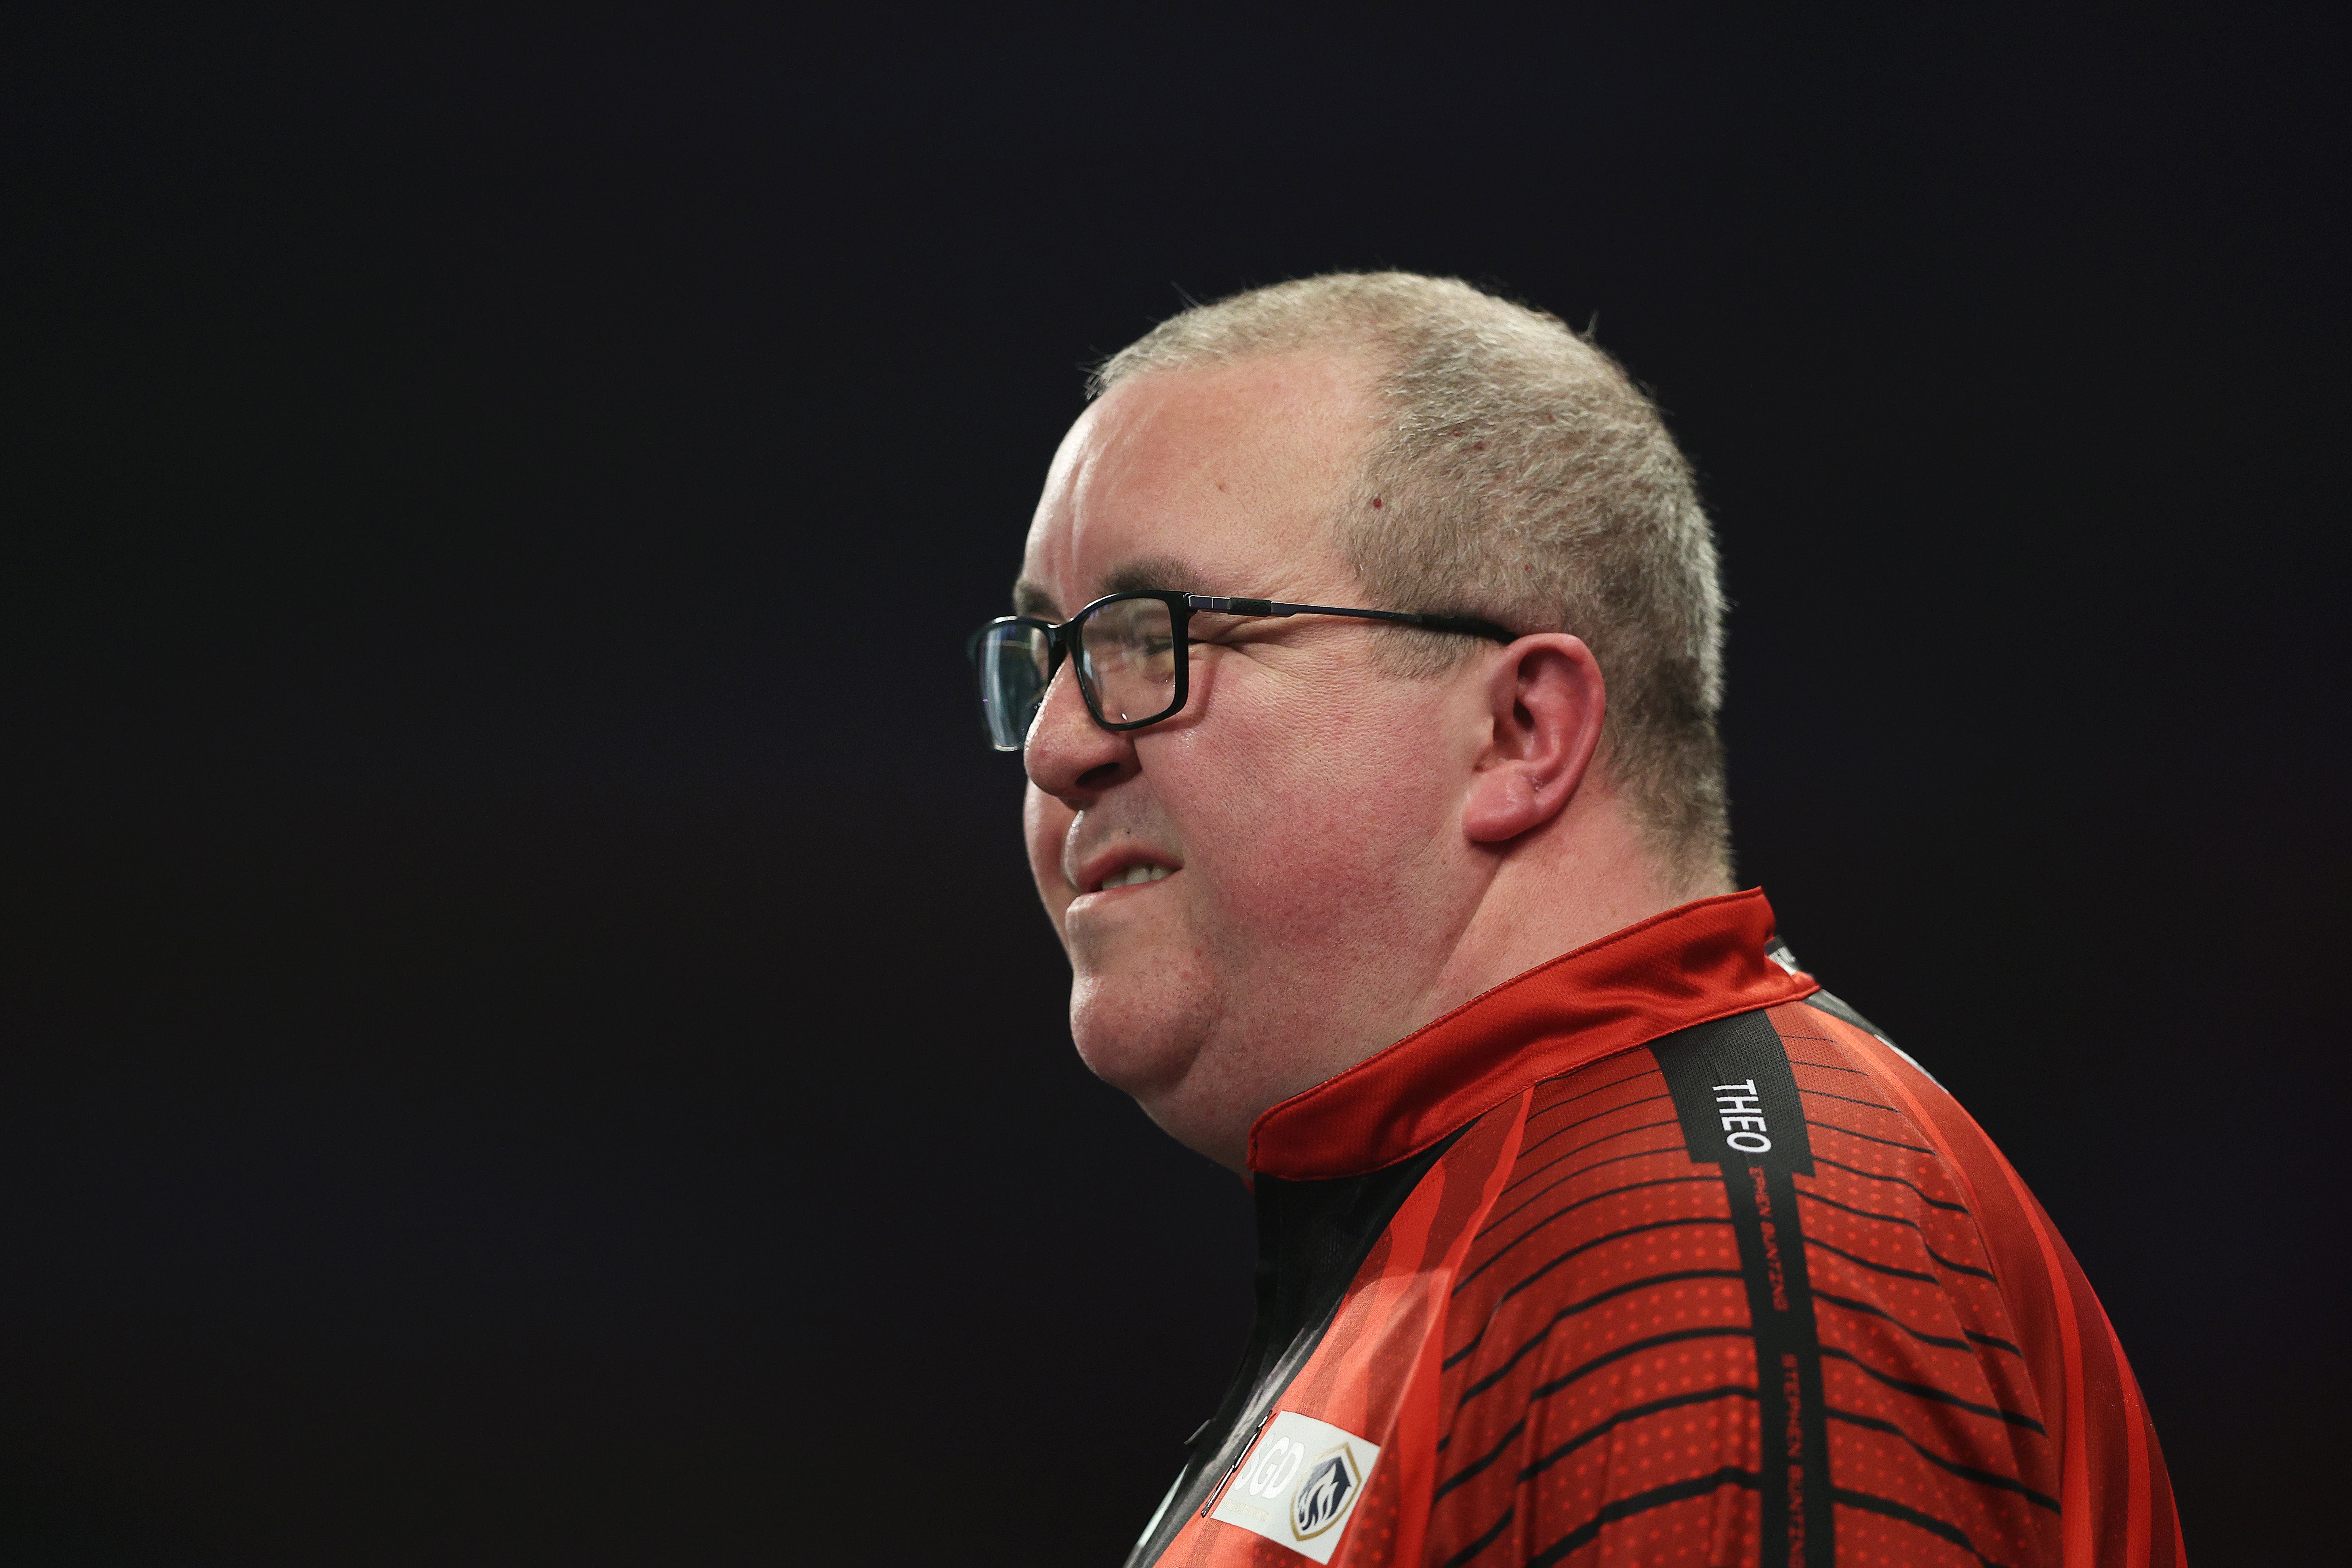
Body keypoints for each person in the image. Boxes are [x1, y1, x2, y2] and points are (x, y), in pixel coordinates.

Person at [970, 274, 2181, 1568]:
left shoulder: (1685, 1270)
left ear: (1519, 733)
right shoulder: (1519, 1224)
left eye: (1154, 639)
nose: (1055, 745)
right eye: (1046, 655)